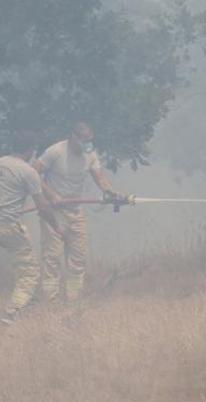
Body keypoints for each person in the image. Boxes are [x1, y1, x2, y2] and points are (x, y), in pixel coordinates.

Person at [33, 122, 125, 303]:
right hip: (54, 212)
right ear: (73, 137)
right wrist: (52, 195)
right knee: (52, 257)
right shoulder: (55, 151)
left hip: (76, 211)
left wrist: (110, 191)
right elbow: (33, 174)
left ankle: (73, 301)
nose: (88, 144)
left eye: (90, 140)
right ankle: (50, 302)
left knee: (78, 257)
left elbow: (99, 177)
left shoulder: (90, 154)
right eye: (84, 140)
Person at [0, 131, 59, 323]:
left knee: (21, 263)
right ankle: (13, 312)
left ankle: (25, 299)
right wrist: (57, 227)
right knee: (30, 271)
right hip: (8, 226)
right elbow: (43, 207)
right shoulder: (28, 171)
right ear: (31, 150)